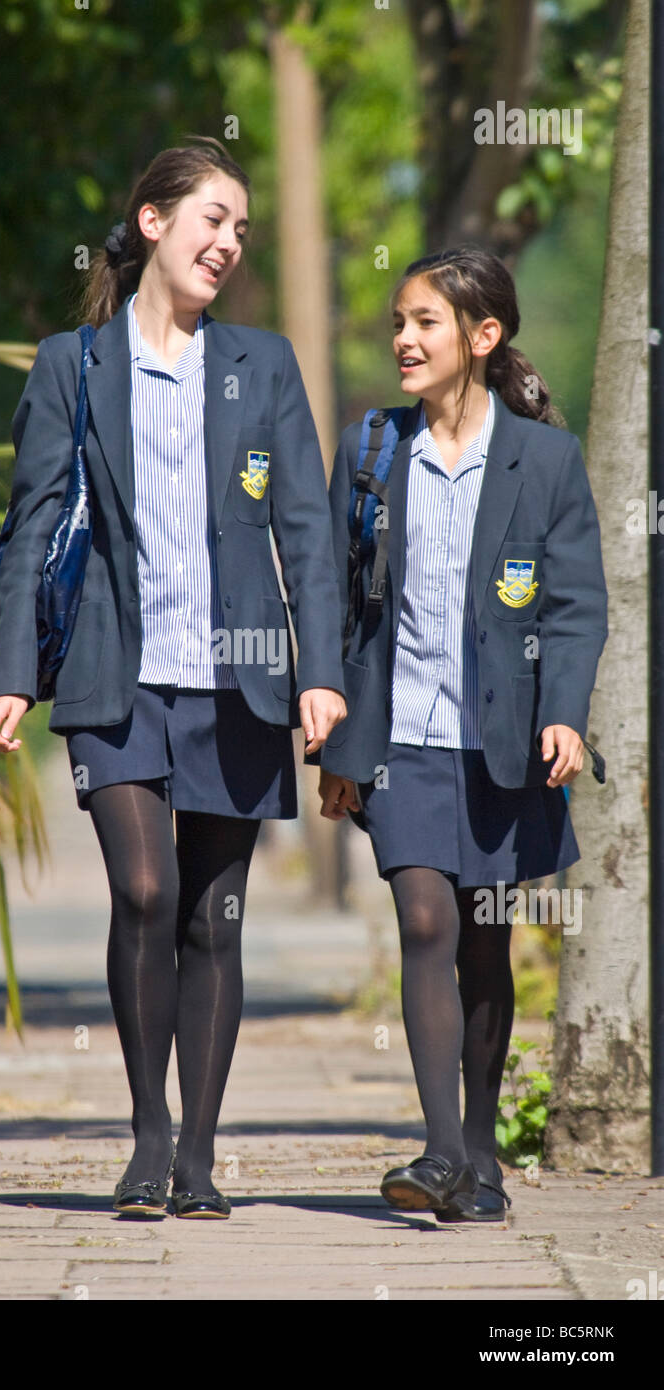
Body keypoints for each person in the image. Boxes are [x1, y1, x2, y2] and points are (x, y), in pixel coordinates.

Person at [0, 137, 346, 1219]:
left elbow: (307, 534)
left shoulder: (263, 364)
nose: (229, 241)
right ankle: (146, 1136)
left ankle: (197, 1152)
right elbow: (30, 525)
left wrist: (320, 672)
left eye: (241, 227)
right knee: (144, 891)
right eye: (213, 218)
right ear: (152, 222)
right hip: (116, 673)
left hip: (237, 678)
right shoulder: (72, 365)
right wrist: (13, 670)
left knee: (212, 918)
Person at [316, 246, 607, 1222]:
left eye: (424, 323)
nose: (403, 338)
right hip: (398, 740)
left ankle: (478, 1155)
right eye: (398, 321)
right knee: (425, 921)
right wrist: (330, 734)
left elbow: (572, 606)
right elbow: (333, 602)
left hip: (502, 741)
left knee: (482, 945)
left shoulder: (544, 461)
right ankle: (439, 1149)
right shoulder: (369, 450)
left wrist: (563, 708)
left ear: (481, 338)